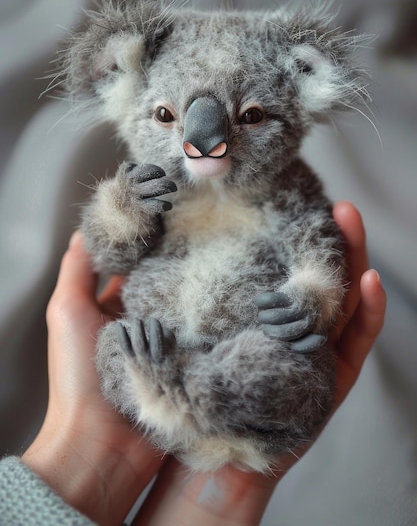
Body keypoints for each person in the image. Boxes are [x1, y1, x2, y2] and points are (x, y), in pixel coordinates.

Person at [0, 201, 386, 526]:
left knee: (282, 364)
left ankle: (180, 395)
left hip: (244, 374)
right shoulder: (159, 189)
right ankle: (172, 395)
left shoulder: (290, 193)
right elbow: (110, 253)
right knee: (116, 344)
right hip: (158, 360)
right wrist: (121, 210)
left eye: (251, 117)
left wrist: (312, 293)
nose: (202, 136)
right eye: (166, 117)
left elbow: (315, 247)